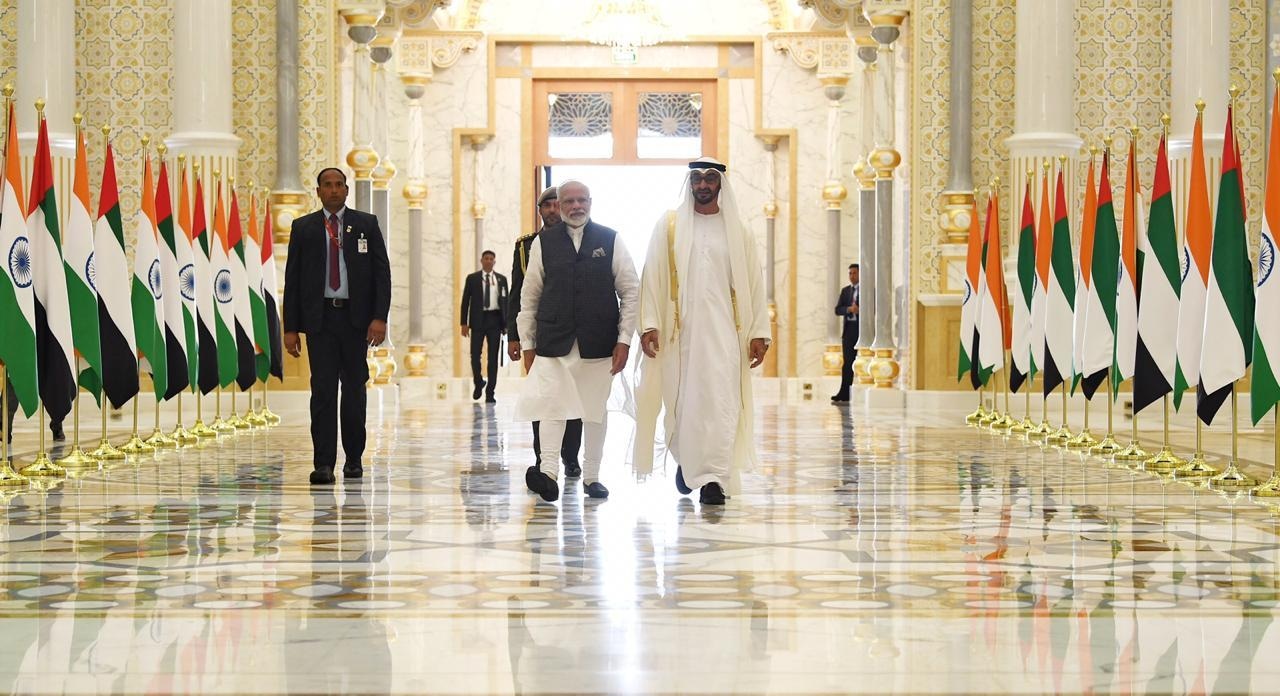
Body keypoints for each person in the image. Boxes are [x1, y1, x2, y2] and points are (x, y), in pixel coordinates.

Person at [633, 156, 770, 506]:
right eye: (697, 179)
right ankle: (688, 461)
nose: (703, 185)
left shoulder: (739, 231)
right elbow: (653, 277)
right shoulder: (670, 226)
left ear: (721, 184)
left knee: (722, 402)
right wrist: (649, 324)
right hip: (681, 336)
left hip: (726, 335)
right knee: (684, 402)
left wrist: (758, 332)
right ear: (690, 183)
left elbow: (755, 284)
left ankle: (713, 478)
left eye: (710, 178)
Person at [514, 180, 639, 502]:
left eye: (581, 200)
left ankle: (593, 477)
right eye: (569, 201)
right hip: (553, 342)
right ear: (560, 204)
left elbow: (630, 291)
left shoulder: (609, 239)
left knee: (594, 412)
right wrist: (527, 344)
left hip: (598, 343)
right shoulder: (543, 242)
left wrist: (624, 340)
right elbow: (530, 296)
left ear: (591, 202)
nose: (575, 206)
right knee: (551, 407)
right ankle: (549, 474)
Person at [282, 167, 392, 485]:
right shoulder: (303, 228)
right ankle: (323, 463)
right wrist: (291, 327)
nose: (333, 190)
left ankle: (354, 459)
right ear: (318, 191)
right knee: (323, 392)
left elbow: (381, 274)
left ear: (346, 190)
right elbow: (293, 280)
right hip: (320, 322)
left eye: (339, 185)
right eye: (327, 185)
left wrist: (379, 317)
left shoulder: (365, 225)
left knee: (355, 390)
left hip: (356, 320)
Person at [508, 186, 583, 477]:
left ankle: (571, 457)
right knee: (543, 396)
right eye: (547, 206)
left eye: (556, 205)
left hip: (572, 332)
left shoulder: (576, 240)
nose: (553, 211)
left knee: (573, 394)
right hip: (540, 333)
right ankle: (542, 457)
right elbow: (518, 293)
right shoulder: (526, 245)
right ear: (540, 211)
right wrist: (515, 336)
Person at [460, 250, 508, 403]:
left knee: (493, 358)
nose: (488, 261)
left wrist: (506, 324)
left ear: (494, 262)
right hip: (478, 321)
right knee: (475, 355)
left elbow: (506, 303)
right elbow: (465, 302)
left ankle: (490, 392)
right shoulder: (472, 279)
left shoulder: (501, 280)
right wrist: (464, 323)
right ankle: (478, 382)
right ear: (481, 261)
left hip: (495, 321)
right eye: (486, 258)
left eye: (491, 259)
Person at [832, 263, 859, 402]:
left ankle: (858, 393)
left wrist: (860, 311)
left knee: (860, 363)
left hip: (862, 331)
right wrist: (849, 309)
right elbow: (838, 309)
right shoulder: (845, 291)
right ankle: (844, 393)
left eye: (854, 273)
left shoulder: (867, 291)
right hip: (848, 332)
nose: (852, 276)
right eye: (850, 273)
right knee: (847, 363)